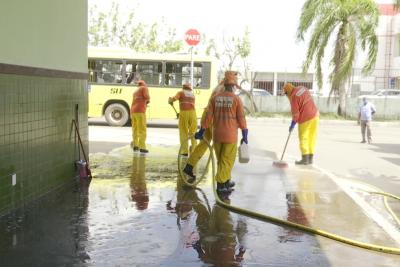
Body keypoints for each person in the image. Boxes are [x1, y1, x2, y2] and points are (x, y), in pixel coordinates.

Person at [195, 71, 248, 194]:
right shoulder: (236, 99)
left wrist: (201, 131)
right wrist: (245, 135)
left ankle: (225, 181)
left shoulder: (215, 98)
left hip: (217, 135)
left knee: (221, 160)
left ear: (224, 84)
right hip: (230, 136)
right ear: (234, 85)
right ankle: (220, 184)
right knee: (227, 160)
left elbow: (207, 117)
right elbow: (241, 119)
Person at [182, 79, 226, 182]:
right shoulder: (224, 90)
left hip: (207, 116)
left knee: (203, 144)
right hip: (212, 118)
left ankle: (189, 166)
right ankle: (223, 179)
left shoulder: (218, 88)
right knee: (220, 148)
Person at [283, 83, 319, 165]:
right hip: (315, 115)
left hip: (305, 119)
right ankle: (310, 158)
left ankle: (305, 158)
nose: (286, 96)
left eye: (285, 93)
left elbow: (296, 115)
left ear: (288, 92)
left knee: (304, 138)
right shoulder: (302, 88)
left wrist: (292, 125)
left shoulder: (293, 98)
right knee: (312, 137)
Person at [168, 83, 197, 157]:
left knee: (183, 131)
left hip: (184, 112)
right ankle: (194, 150)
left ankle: (184, 151)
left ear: (183, 88)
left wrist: (170, 100)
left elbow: (174, 99)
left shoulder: (181, 92)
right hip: (193, 113)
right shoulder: (192, 94)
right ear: (190, 88)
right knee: (193, 132)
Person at [131, 80, 150, 153]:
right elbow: (147, 96)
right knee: (142, 129)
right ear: (144, 84)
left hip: (133, 112)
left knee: (135, 129)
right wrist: (148, 100)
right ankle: (142, 147)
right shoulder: (144, 88)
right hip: (140, 111)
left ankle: (135, 146)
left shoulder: (135, 91)